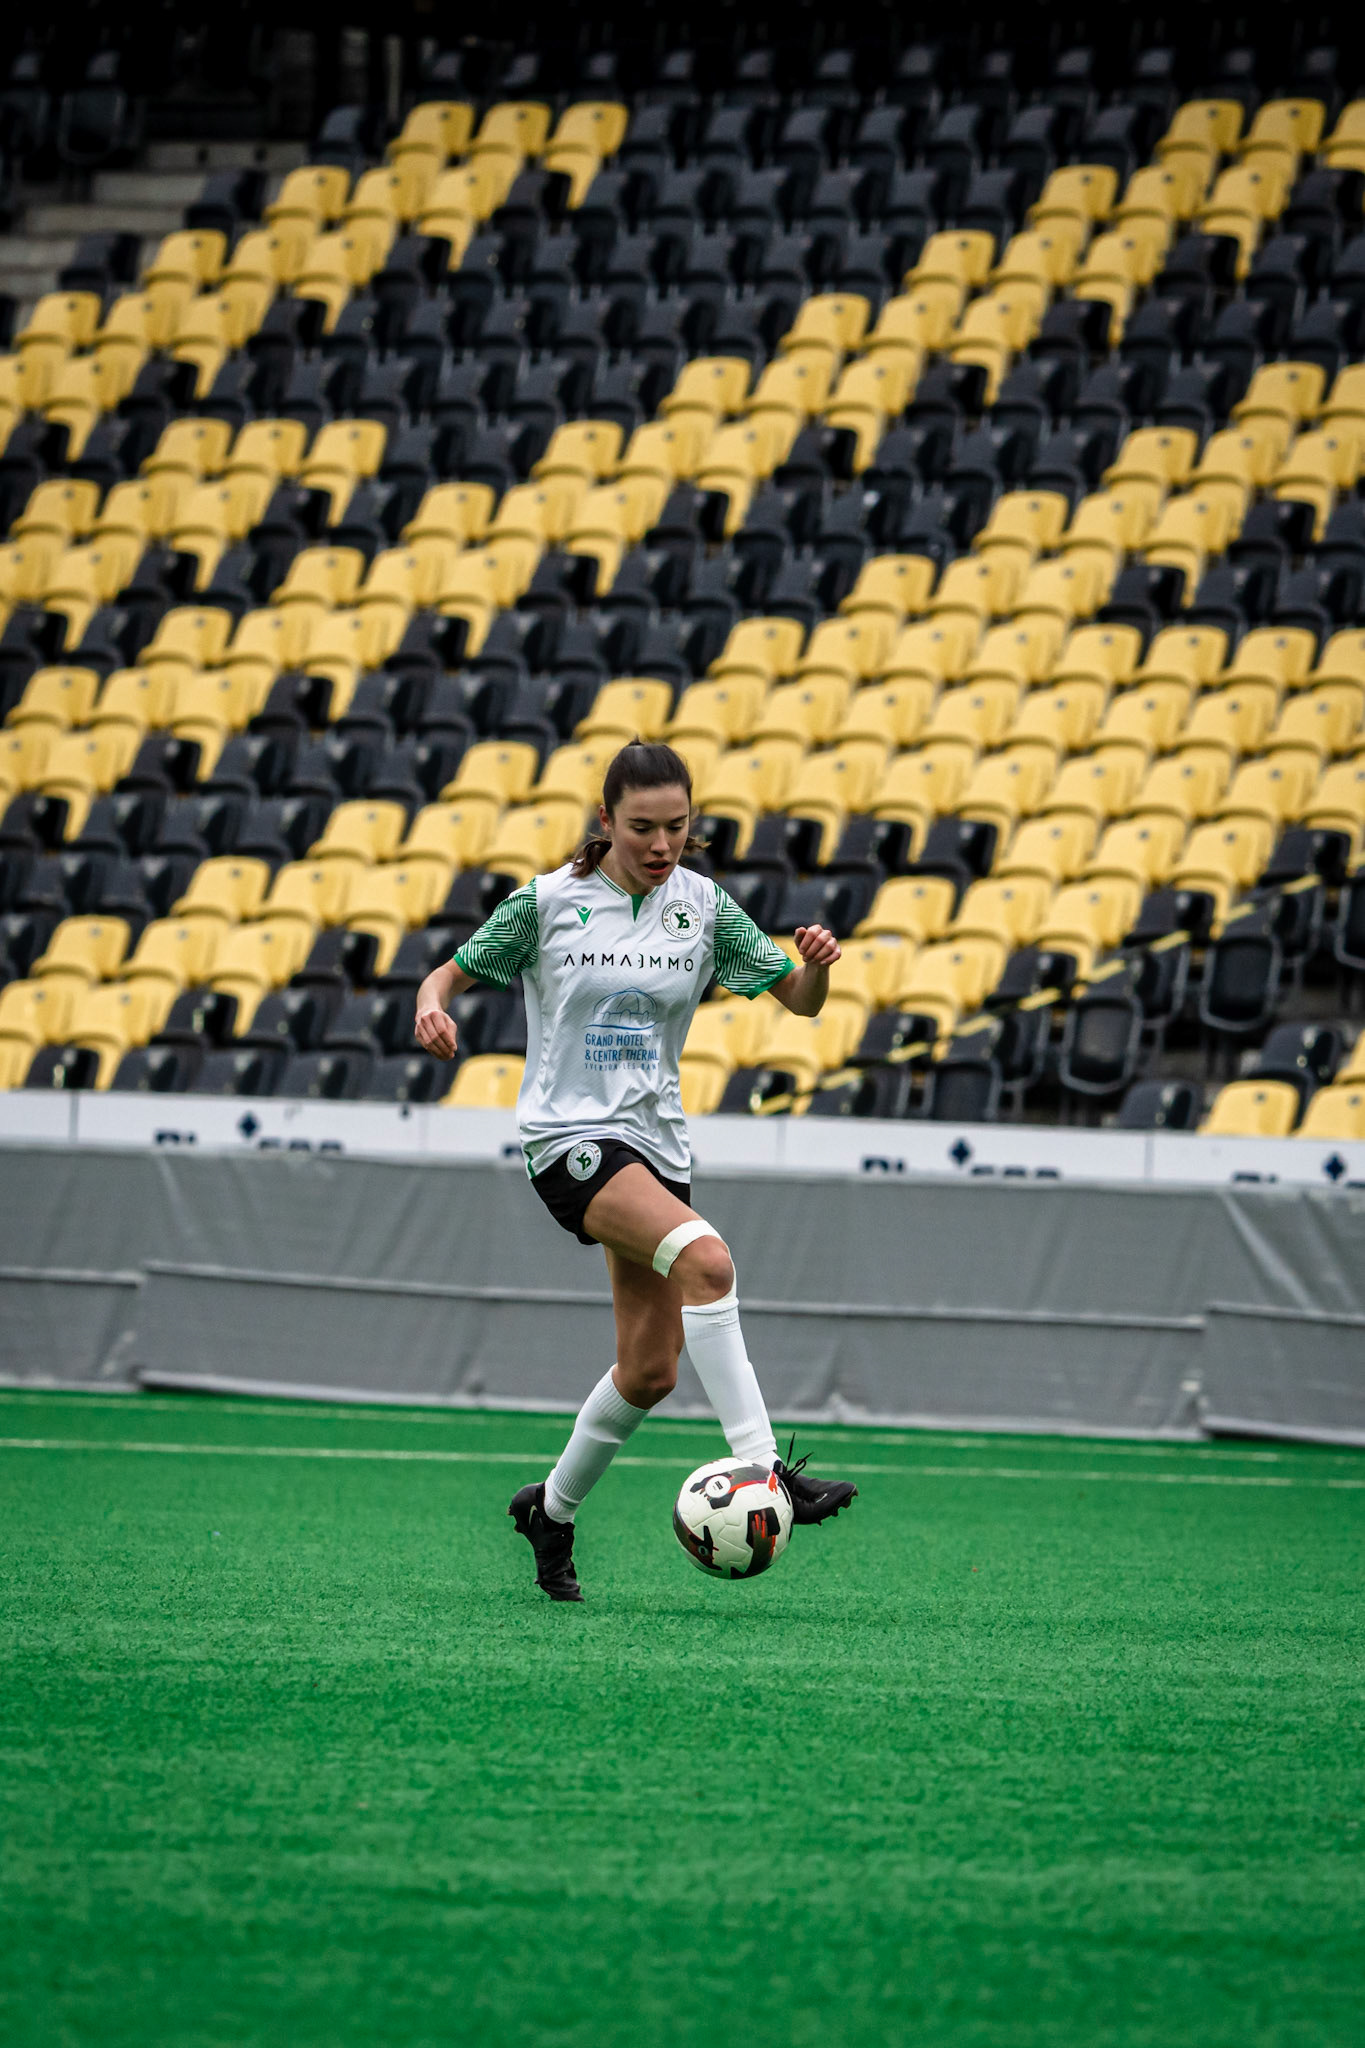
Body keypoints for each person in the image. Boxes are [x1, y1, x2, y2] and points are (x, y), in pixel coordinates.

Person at [414, 740, 857, 1601]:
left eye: (677, 827)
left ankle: (550, 1511)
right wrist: (432, 1009)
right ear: (607, 821)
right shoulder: (547, 903)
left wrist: (813, 967)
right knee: (709, 1263)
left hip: (656, 1148)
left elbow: (797, 1003)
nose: (660, 844)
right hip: (569, 1141)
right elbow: (446, 975)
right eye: (643, 827)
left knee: (649, 1371)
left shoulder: (704, 907)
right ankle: (767, 1469)